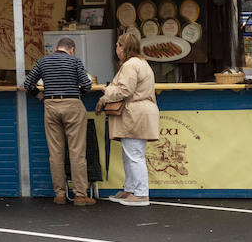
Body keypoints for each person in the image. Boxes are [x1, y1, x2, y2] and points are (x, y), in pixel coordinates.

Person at [24, 36, 96, 206]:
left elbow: (28, 84)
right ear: (71, 49)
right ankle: (79, 195)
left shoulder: (43, 61)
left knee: (55, 153)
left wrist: (42, 97)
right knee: (77, 152)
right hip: (73, 105)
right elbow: (87, 85)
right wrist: (75, 94)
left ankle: (60, 194)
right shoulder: (75, 61)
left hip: (50, 106)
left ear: (57, 48)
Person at [96, 30, 160, 207]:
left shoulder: (130, 65)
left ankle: (140, 194)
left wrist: (106, 92)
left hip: (134, 113)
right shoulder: (141, 63)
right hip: (140, 112)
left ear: (124, 48)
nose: (116, 48)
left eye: (118, 45)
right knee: (130, 154)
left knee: (134, 155)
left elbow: (125, 90)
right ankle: (130, 189)